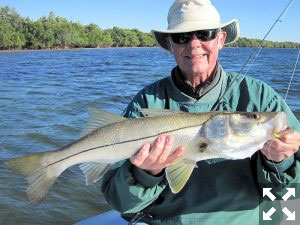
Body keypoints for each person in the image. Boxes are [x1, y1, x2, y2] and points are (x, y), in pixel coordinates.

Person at [101, 0, 300, 224]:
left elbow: (292, 195)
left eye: (205, 34)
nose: (194, 44)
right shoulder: (145, 103)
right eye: (182, 37)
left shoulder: (261, 96)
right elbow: (119, 202)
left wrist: (282, 160)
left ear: (221, 39)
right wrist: (145, 174)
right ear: (170, 45)